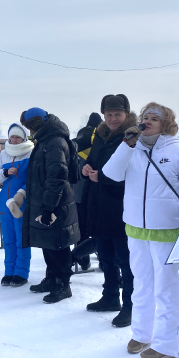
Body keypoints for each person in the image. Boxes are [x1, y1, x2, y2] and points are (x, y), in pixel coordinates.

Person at [102, 102, 179, 358]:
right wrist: (127, 144)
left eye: (154, 117)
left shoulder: (178, 151)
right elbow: (110, 173)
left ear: (166, 123)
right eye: (145, 117)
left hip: (167, 229)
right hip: (136, 230)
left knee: (165, 288)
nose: (148, 121)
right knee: (141, 284)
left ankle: (167, 343)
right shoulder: (132, 150)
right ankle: (142, 333)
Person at [82, 95, 137, 328]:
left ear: (126, 114)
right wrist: (86, 169)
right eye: (109, 114)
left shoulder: (132, 138)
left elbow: (133, 174)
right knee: (105, 256)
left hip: (122, 206)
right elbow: (95, 163)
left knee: (126, 260)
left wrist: (101, 178)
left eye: (118, 114)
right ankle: (110, 296)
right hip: (100, 205)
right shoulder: (101, 136)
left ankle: (130, 306)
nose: (113, 118)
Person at [20, 108, 80, 303]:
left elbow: (57, 177)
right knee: (48, 242)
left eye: (29, 127)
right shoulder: (46, 140)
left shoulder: (54, 142)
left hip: (56, 203)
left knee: (58, 244)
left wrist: (49, 206)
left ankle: (63, 284)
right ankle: (52, 278)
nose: (29, 131)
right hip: (46, 200)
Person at [0, 123, 33, 286]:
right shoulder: (4, 154)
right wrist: (4, 172)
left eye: (17, 137)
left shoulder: (30, 152)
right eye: (12, 137)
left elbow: (33, 179)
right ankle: (9, 270)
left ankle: (21, 271)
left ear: (24, 138)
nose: (14, 140)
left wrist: (23, 192)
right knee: (8, 237)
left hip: (21, 201)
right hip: (4, 202)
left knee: (21, 237)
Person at [71, 112, 102, 271]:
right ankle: (104, 261)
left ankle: (83, 260)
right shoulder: (100, 138)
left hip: (77, 191)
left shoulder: (76, 140)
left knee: (81, 228)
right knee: (100, 228)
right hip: (95, 190)